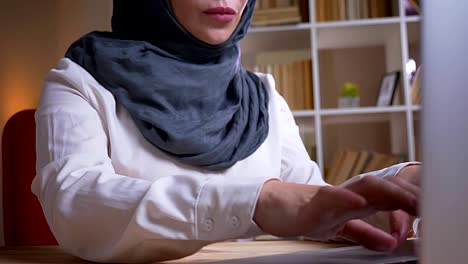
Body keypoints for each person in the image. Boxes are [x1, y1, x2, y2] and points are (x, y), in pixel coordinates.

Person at [32, 0, 421, 263]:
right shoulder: (79, 82)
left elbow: (313, 203)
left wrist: (392, 192)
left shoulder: (263, 97)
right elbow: (75, 202)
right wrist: (258, 202)